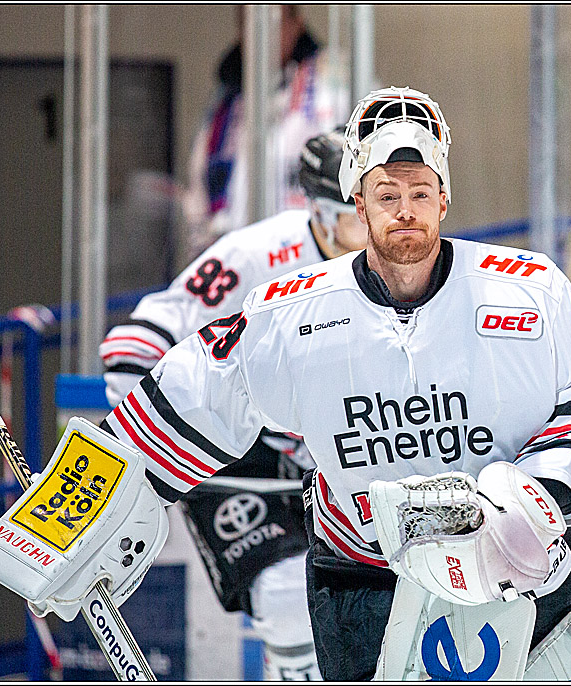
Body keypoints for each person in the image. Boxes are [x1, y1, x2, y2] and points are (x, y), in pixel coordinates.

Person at [98, 86, 571, 680]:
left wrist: (535, 500)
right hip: (364, 580)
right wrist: (73, 515)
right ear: (358, 202)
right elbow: (188, 396)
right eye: (387, 195)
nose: (404, 210)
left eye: (419, 193)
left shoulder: (532, 291)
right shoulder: (289, 313)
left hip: (521, 567)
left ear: (444, 198)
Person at [100, 128, 367, 680]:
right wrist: (137, 441)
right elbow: (143, 334)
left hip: (342, 455)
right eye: (354, 215)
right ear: (318, 212)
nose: (373, 231)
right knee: (288, 597)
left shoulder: (400, 265)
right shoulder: (259, 254)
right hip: (244, 457)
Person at [180, 5, 349, 264]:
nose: (261, 34)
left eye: (275, 22)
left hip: (312, 260)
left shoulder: (334, 83)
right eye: (248, 23)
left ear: (297, 24)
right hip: (242, 261)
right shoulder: (228, 101)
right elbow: (200, 189)